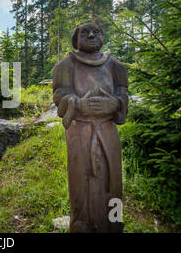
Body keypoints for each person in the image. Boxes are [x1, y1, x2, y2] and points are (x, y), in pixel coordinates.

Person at [52, 22, 128, 233]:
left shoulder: (115, 66)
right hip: (79, 131)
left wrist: (115, 103)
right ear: (76, 40)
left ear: (102, 37)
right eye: (85, 32)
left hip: (107, 129)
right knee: (80, 179)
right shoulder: (65, 66)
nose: (92, 34)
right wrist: (77, 103)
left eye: (96, 32)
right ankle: (81, 223)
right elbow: (59, 95)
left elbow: (123, 92)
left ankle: (114, 223)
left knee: (112, 179)